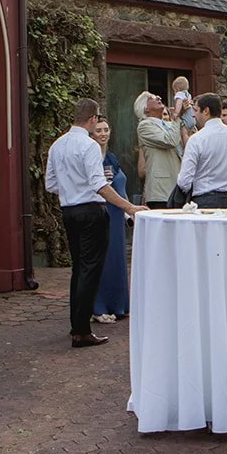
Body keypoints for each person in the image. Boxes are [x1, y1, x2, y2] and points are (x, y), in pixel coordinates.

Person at [44, 98, 146, 349]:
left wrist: (71, 189)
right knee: (90, 270)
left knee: (79, 268)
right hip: (91, 211)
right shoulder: (88, 146)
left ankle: (77, 325)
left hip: (69, 211)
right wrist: (129, 207)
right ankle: (81, 331)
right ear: (92, 118)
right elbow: (99, 184)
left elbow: (51, 184)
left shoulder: (57, 145)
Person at [88, 117, 130, 323]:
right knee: (104, 258)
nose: (103, 134)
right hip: (102, 212)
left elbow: (121, 187)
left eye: (106, 130)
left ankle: (118, 304)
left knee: (117, 258)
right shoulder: (92, 159)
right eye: (99, 130)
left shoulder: (112, 158)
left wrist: (128, 211)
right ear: (91, 134)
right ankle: (99, 305)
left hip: (118, 213)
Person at [174, 93, 227, 208]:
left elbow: (184, 181)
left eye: (196, 110)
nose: (194, 115)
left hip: (204, 200)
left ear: (206, 111)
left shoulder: (196, 139)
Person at [134, 91, 184, 209]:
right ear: (145, 108)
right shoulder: (144, 126)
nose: (158, 97)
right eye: (152, 98)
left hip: (177, 188)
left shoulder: (169, 124)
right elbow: (170, 141)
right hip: (161, 192)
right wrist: (177, 116)